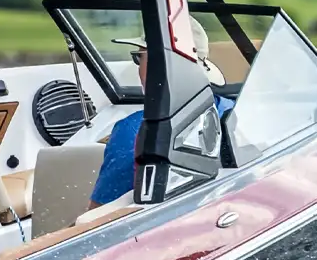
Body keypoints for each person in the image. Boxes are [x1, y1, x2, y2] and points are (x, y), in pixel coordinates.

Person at [88, 21, 230, 207]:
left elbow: (95, 219)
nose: (138, 69)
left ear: (159, 63)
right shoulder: (232, 112)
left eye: (139, 58)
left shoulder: (132, 131)